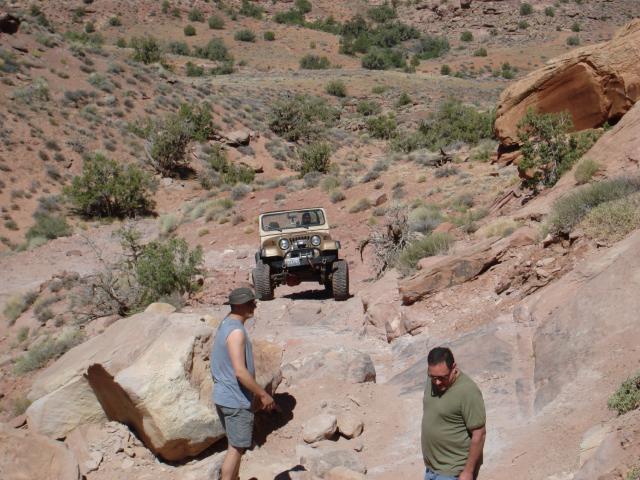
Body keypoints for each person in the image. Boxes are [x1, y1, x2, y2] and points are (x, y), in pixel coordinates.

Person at [212, 287, 276, 480]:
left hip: (224, 395)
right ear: (240, 306)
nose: (254, 306)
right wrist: (263, 394)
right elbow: (240, 372)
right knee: (236, 448)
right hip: (235, 399)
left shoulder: (226, 323)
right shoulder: (236, 333)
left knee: (235, 444)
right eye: (251, 303)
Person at [421, 347, 486, 480]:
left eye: (442, 378)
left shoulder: (468, 391)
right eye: (433, 377)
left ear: (454, 368)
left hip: (453, 471)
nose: (437, 382)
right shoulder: (434, 378)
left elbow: (479, 434)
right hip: (431, 469)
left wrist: (468, 471)